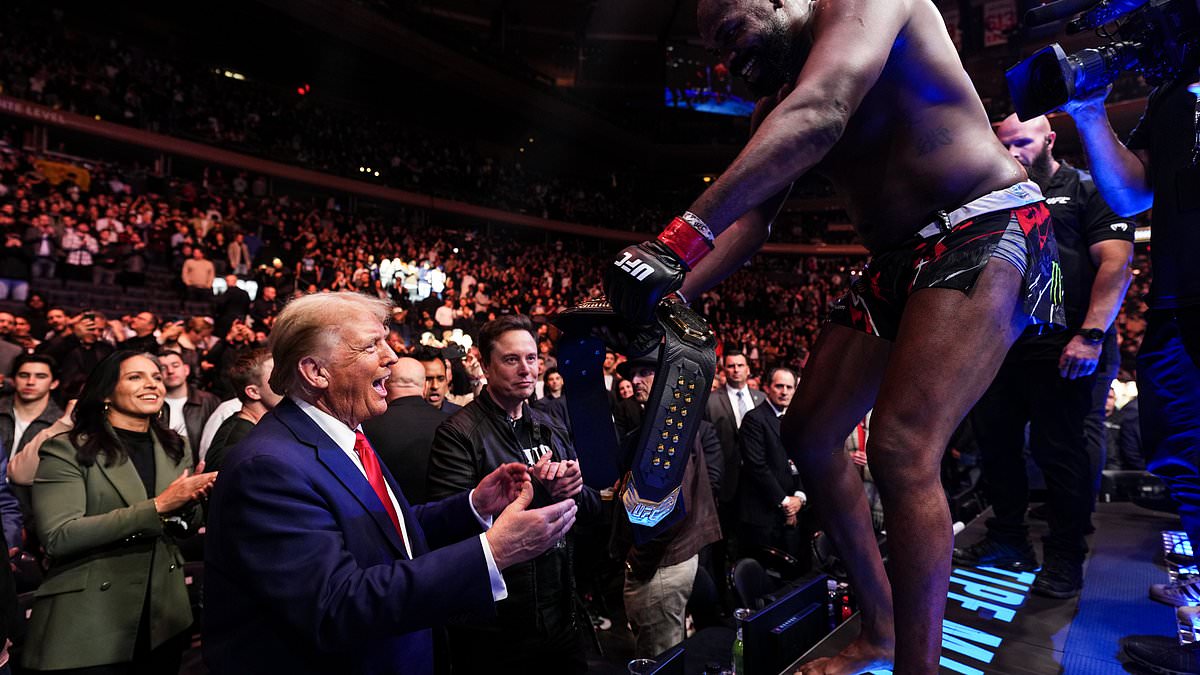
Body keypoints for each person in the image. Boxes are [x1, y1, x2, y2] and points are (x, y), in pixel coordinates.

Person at [601, 0, 1064, 670]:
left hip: (987, 223)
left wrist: (672, 241)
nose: (729, 61)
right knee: (811, 431)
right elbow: (748, 225)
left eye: (731, 33)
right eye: (718, 51)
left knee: (902, 448)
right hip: (900, 257)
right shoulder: (775, 108)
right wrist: (663, 292)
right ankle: (879, 628)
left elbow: (824, 111)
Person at [203, 292, 577, 675]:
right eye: (371, 345)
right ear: (316, 372)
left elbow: (384, 532)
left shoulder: (347, 434)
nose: (392, 357)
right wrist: (492, 552)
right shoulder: (268, 468)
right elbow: (335, 605)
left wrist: (472, 507)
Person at [1061, 40, 1200, 672]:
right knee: (1187, 460)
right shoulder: (1177, 86)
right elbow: (1130, 196)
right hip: (1179, 302)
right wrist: (1089, 113)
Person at [953, 113, 1134, 599]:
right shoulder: (991, 200)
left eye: (1023, 142)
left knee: (1061, 453)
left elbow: (1116, 263)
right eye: (1004, 144)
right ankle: (1009, 540)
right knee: (997, 449)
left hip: (1065, 343)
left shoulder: (1085, 189)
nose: (1012, 152)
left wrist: (1092, 334)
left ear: (1050, 140)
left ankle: (1064, 557)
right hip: (1001, 344)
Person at [23, 351, 216, 673]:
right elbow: (59, 536)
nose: (152, 384)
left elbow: (183, 526)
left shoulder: (176, 446)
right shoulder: (67, 449)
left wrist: (195, 501)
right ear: (105, 392)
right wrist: (158, 506)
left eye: (156, 377)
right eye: (135, 377)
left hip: (161, 617)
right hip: (90, 618)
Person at [426, 315, 599, 674]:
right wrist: (539, 491)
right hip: (499, 626)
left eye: (532, 358)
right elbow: (450, 531)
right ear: (485, 365)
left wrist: (575, 489)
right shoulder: (458, 434)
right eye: (511, 359)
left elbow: (589, 508)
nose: (526, 369)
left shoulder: (551, 425)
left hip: (561, 612)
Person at [610, 354, 722, 659]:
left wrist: (637, 562)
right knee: (665, 649)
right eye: (633, 374)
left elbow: (667, 514)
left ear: (668, 377)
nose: (634, 381)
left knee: (658, 658)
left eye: (645, 372)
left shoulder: (667, 424)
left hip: (661, 564)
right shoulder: (671, 416)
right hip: (671, 559)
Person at [739, 367, 809, 566]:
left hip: (793, 508)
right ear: (767, 388)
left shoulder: (796, 419)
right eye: (779, 386)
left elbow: (804, 462)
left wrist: (800, 497)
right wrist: (787, 503)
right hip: (763, 514)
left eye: (789, 387)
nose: (784, 391)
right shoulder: (754, 419)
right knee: (764, 577)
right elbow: (757, 467)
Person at [361, 357, 447, 505]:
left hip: (389, 520)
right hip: (447, 519)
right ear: (424, 387)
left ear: (384, 385)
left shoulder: (364, 428)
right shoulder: (453, 423)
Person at [204, 347, 282, 472]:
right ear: (253, 392)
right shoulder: (238, 444)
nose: (288, 382)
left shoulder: (257, 429)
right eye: (277, 377)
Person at [157, 350, 220, 461]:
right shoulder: (154, 404)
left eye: (175, 365)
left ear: (186, 369)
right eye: (163, 368)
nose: (170, 371)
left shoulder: (208, 401)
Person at [413, 346, 459, 414]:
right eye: (427, 379)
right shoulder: (402, 417)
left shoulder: (459, 415)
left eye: (440, 379)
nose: (435, 386)